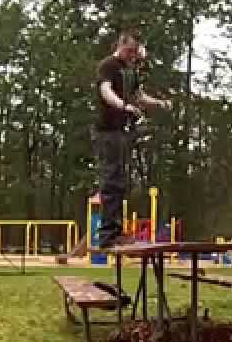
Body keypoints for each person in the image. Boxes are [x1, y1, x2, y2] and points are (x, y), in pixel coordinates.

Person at [71, 30, 171, 256]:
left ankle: (115, 232)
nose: (134, 56)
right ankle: (108, 235)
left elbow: (139, 96)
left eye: (136, 53)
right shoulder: (109, 66)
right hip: (105, 131)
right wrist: (122, 106)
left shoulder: (131, 71)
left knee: (121, 181)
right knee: (111, 180)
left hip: (121, 132)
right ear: (122, 46)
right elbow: (105, 91)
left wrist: (159, 104)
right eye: (131, 51)